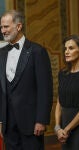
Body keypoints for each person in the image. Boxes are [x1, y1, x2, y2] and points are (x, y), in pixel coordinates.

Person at [0, 10, 53, 150]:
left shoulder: (37, 51)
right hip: (8, 125)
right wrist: (1, 120)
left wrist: (41, 120)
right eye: (1, 27)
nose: (3, 31)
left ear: (18, 26)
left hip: (31, 123)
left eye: (6, 27)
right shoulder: (1, 54)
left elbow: (45, 89)